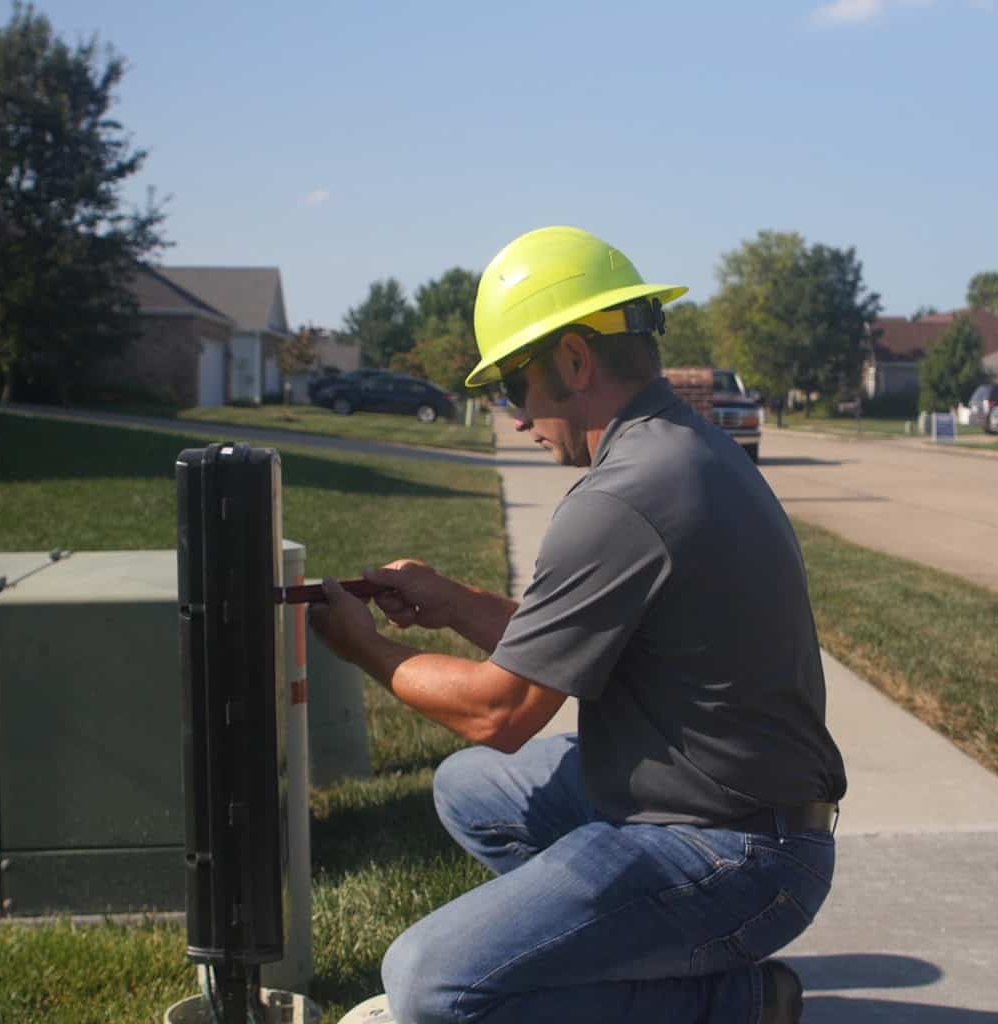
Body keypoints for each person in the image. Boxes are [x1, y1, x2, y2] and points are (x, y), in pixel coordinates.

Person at [308, 226, 845, 1024]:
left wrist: (367, 648)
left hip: (740, 856)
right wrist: (449, 601)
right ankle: (613, 958)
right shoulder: (679, 450)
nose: (512, 416)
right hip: (734, 815)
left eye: (512, 386)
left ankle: (727, 1003)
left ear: (573, 360)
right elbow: (562, 642)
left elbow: (499, 713)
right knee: (470, 790)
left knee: (430, 985)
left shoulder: (622, 497)